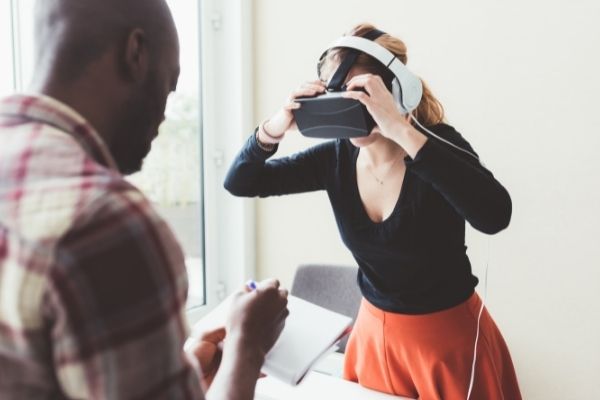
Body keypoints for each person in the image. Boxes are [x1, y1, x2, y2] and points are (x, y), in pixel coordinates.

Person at [0, 0, 288, 399]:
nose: (165, 115)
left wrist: (180, 371)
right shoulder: (105, 219)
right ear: (136, 53)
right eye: (169, 85)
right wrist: (247, 346)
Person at [224, 23, 522, 400]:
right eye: (339, 95)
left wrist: (399, 128)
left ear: (397, 91)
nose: (351, 108)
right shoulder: (334, 158)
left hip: (447, 342)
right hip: (373, 338)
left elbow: (495, 215)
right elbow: (240, 182)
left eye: (362, 93)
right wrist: (275, 126)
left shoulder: (437, 145)